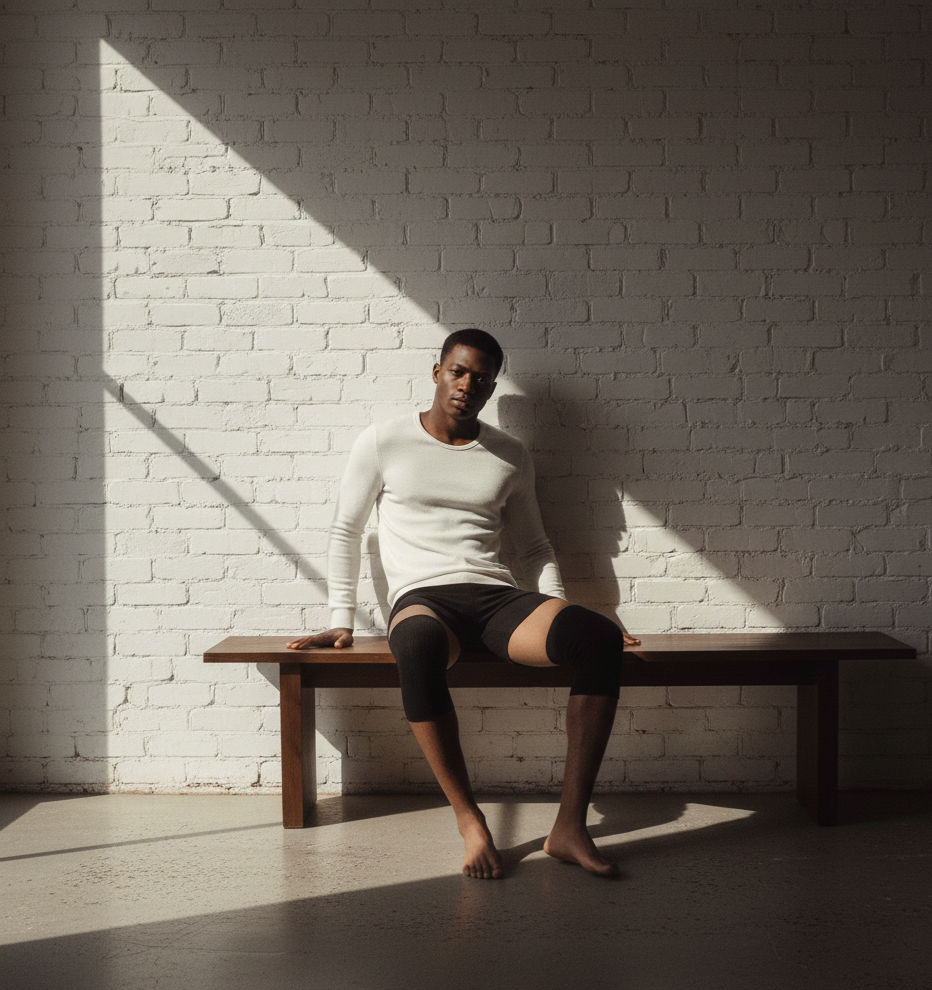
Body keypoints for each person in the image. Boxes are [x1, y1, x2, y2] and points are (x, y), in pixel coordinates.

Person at [287, 329, 640, 879]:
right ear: (437, 372)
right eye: (458, 371)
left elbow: (534, 547)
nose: (467, 384)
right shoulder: (384, 441)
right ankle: (469, 818)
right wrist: (341, 620)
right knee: (418, 644)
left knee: (595, 638)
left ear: (492, 385)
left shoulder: (509, 453)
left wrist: (562, 611)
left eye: (480, 377)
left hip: (495, 597)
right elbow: (345, 531)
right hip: (422, 598)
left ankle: (569, 827)